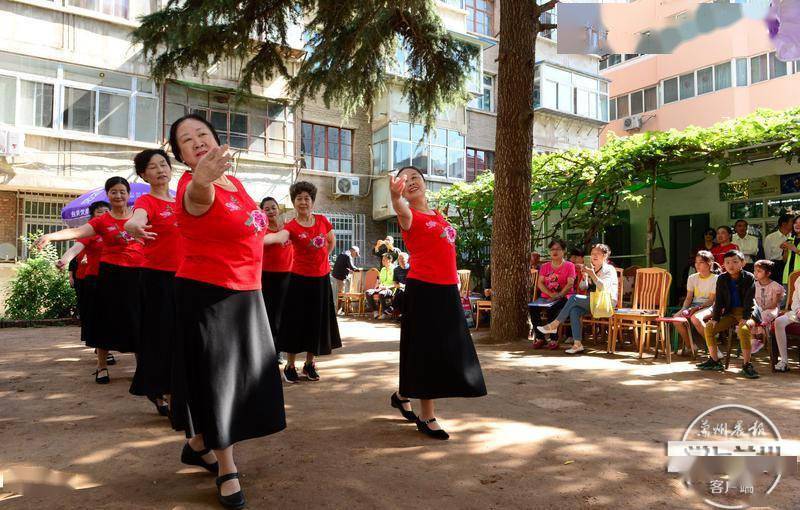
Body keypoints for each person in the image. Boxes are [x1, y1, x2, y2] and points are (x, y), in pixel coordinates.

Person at [168, 113, 286, 509]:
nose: (197, 141)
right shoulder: (190, 183)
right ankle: (227, 467)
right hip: (209, 295)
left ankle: (198, 443)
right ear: (182, 156)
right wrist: (201, 180)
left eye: (203, 133)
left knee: (242, 379)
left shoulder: (235, 183)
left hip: (248, 291)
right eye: (187, 140)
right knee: (221, 384)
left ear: (216, 139)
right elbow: (197, 201)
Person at [387, 166, 487, 440]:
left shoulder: (438, 215)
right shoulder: (410, 215)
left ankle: (402, 394)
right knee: (426, 350)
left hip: (447, 290)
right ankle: (427, 415)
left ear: (425, 183)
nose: (411, 182)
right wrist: (396, 198)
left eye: (415, 177)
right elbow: (400, 208)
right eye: (405, 180)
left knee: (445, 347)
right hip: (424, 290)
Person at [37, 178, 143, 384]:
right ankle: (101, 367)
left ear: (128, 194)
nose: (119, 195)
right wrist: (50, 236)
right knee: (105, 320)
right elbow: (76, 233)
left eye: (122, 191)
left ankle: (142, 370)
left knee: (139, 322)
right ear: (108, 194)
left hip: (138, 276)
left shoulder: (139, 216)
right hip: (111, 275)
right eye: (114, 192)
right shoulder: (101, 221)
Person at [124, 149, 181, 416]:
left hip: (186, 278)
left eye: (164, 164)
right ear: (143, 174)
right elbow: (136, 220)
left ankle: (179, 390)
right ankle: (163, 391)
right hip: (157, 279)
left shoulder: (182, 200)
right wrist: (132, 226)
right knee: (161, 337)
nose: (160, 170)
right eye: (152, 166)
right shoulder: (146, 201)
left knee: (184, 336)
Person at [274, 181, 341, 383]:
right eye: (299, 198)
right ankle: (290, 366)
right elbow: (280, 238)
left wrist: (321, 260)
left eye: (307, 198)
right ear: (294, 202)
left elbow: (331, 242)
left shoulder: (322, 221)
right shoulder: (291, 226)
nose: (303, 202)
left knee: (316, 323)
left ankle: (309, 365)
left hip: (320, 280)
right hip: (298, 280)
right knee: (295, 322)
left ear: (312, 201)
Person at [536, 243, 619, 355]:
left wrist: (592, 274)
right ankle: (577, 344)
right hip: (594, 302)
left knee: (574, 298)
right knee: (574, 310)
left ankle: (554, 325)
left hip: (606, 303)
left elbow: (603, 287)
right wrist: (585, 277)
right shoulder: (592, 268)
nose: (594, 256)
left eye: (597, 254)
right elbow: (582, 287)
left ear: (605, 256)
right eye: (592, 253)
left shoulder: (609, 269)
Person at [56, 201, 110, 355]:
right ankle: (102, 350)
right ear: (93, 215)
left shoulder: (117, 230)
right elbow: (75, 248)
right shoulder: (91, 232)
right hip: (94, 280)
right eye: (100, 211)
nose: (104, 214)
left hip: (115, 278)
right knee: (98, 315)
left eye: (107, 211)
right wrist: (64, 259)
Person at [696, 250, 758, 379]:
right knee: (709, 327)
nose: (731, 265)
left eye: (735, 262)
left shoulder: (749, 277)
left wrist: (746, 318)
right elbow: (719, 300)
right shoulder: (722, 278)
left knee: (743, 329)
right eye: (728, 262)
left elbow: (749, 300)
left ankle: (747, 365)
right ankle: (714, 361)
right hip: (730, 313)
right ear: (723, 264)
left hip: (747, 312)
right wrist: (715, 318)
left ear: (743, 263)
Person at [259, 196, 294, 361]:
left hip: (288, 275)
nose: (271, 211)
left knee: (285, 314)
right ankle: (271, 350)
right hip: (267, 276)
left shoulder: (288, 229)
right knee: (270, 314)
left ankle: (280, 347)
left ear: (278, 209)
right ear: (262, 212)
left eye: (273, 207)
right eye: (267, 209)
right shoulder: (261, 230)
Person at [529, 239, 576, 350]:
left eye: (558, 249)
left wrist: (558, 295)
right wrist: (550, 294)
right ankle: (540, 338)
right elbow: (540, 283)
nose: (555, 252)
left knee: (553, 308)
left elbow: (570, 284)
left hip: (564, 296)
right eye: (552, 249)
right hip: (547, 297)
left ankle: (554, 339)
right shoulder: (545, 266)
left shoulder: (569, 266)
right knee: (532, 308)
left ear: (564, 251)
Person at [673, 250, 718, 354]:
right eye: (696, 262)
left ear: (709, 263)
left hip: (709, 306)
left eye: (701, 262)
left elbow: (711, 300)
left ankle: (713, 348)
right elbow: (689, 298)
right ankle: (690, 347)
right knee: (676, 319)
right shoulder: (692, 278)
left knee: (695, 318)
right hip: (694, 305)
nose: (697, 265)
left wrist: (696, 309)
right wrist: (683, 309)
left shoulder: (716, 278)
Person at [746, 259, 784, 354]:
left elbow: (774, 304)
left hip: (771, 309)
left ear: (768, 273)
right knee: (749, 317)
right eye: (754, 271)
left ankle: (760, 339)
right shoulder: (753, 285)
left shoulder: (776, 286)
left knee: (763, 315)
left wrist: (761, 309)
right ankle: (754, 340)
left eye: (759, 271)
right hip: (757, 309)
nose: (755, 273)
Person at [773, 277, 800, 372]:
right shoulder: (799, 279)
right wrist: (797, 310)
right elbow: (795, 300)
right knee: (779, 321)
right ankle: (784, 362)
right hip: (798, 313)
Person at [365, 253, 396, 319]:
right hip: (381, 288)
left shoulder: (395, 269)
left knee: (382, 293)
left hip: (390, 289)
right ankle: (375, 311)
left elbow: (395, 284)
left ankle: (385, 312)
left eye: (384, 260)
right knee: (368, 292)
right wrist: (377, 287)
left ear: (390, 260)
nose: (382, 261)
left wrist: (386, 287)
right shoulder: (382, 269)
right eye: (382, 260)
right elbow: (379, 281)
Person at [764, 213, 793, 279]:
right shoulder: (770, 237)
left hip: (791, 265)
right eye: (792, 222)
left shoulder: (793, 237)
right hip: (776, 267)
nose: (794, 224)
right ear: (784, 224)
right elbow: (767, 257)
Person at [781, 216, 800, 284]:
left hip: (798, 277)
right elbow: (784, 260)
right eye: (795, 222)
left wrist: (795, 250)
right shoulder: (790, 239)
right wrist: (786, 250)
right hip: (787, 277)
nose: (797, 225)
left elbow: (795, 250)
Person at [392, 252, 410, 317]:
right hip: (400, 288)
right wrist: (399, 286)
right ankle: (399, 313)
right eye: (399, 259)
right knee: (398, 295)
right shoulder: (396, 270)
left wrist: (405, 286)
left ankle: (402, 313)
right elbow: (394, 282)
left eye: (403, 259)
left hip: (410, 288)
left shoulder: (411, 268)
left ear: (407, 259)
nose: (401, 261)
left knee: (402, 295)